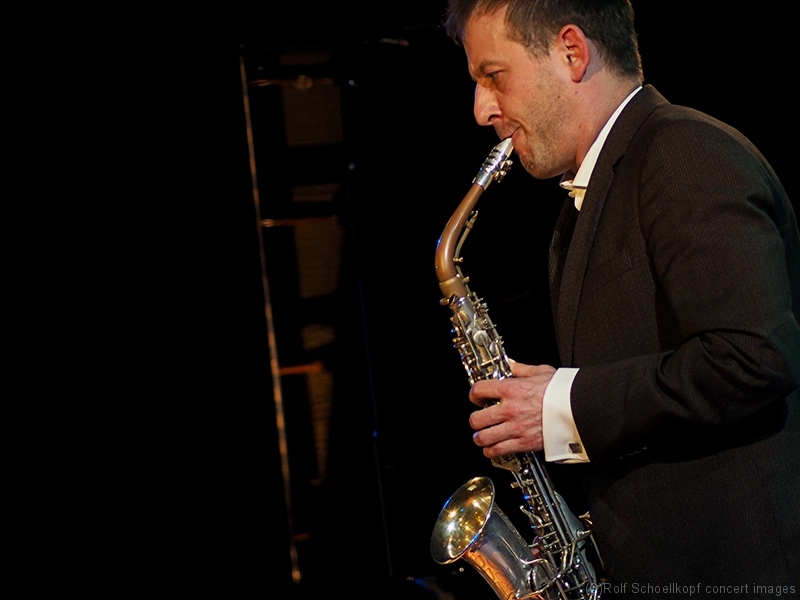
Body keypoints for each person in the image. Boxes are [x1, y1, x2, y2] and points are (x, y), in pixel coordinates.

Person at [443, 0, 800, 597]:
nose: (482, 109)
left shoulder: (684, 151)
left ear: (571, 52)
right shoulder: (586, 200)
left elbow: (752, 357)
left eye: (493, 76)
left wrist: (563, 404)